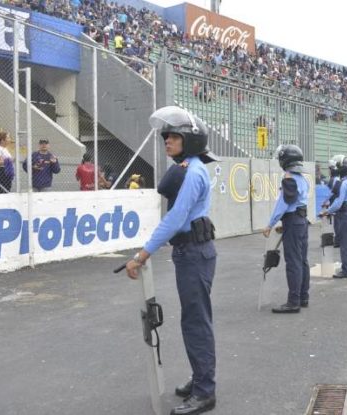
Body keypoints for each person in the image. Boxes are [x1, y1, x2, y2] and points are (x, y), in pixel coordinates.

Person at [124, 106, 218, 415]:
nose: (167, 141)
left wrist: (142, 254)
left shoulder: (193, 171)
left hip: (194, 252)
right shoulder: (190, 167)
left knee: (196, 322)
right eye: (166, 136)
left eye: (173, 136)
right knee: (193, 320)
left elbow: (176, 218)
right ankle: (200, 378)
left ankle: (205, 391)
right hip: (191, 252)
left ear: (189, 140)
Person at [263, 144, 310, 313]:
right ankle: (303, 297)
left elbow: (282, 205)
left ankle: (293, 302)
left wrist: (270, 224)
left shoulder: (289, 179)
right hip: (302, 221)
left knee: (293, 262)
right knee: (302, 260)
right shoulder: (303, 179)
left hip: (293, 221)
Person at [321, 156, 347, 279]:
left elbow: (338, 202)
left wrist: (327, 211)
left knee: (346, 244)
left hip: (345, 215)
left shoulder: (344, 183)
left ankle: (346, 271)